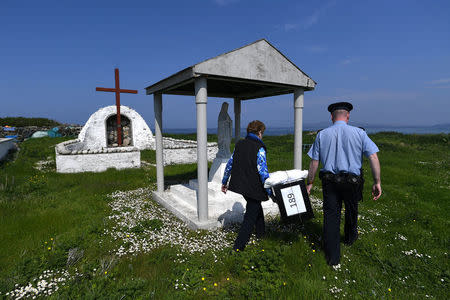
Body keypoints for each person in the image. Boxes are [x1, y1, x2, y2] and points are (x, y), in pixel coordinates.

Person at [306, 102, 382, 266]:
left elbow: (314, 162)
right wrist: (377, 182)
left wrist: (310, 182)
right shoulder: (360, 133)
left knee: (331, 216)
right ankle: (349, 238)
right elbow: (373, 157)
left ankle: (333, 257)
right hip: (352, 182)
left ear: (332, 116)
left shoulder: (322, 135)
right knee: (351, 209)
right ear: (348, 116)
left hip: (330, 182)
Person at [222, 120, 272, 251]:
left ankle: (261, 234)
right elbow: (263, 171)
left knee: (255, 206)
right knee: (250, 217)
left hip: (241, 185)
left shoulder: (239, 144)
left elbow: (230, 164)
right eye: (262, 133)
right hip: (254, 187)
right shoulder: (259, 148)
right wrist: (269, 190)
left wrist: (224, 181)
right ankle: (238, 248)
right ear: (260, 132)